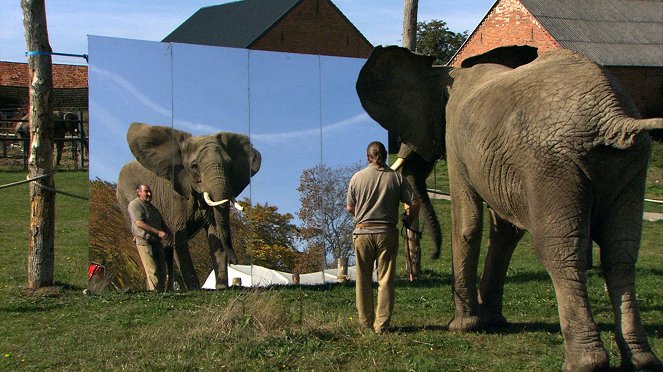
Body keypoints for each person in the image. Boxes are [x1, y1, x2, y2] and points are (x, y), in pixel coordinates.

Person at [346, 141, 420, 333]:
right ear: (386, 155)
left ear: (367, 156)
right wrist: (408, 218)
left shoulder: (357, 178)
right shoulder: (396, 178)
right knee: (385, 279)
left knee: (362, 278)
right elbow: (414, 203)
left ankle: (365, 323)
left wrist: (363, 216)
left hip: (362, 232)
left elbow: (350, 208)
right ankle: (382, 325)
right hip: (386, 232)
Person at [128, 184, 170, 291]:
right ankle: (154, 295)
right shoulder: (135, 205)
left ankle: (161, 294)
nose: (149, 194)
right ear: (139, 192)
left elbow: (161, 222)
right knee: (152, 270)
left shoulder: (153, 208)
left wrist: (169, 233)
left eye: (150, 192)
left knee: (162, 271)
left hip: (156, 242)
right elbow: (139, 223)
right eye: (146, 191)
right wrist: (158, 232)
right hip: (144, 242)